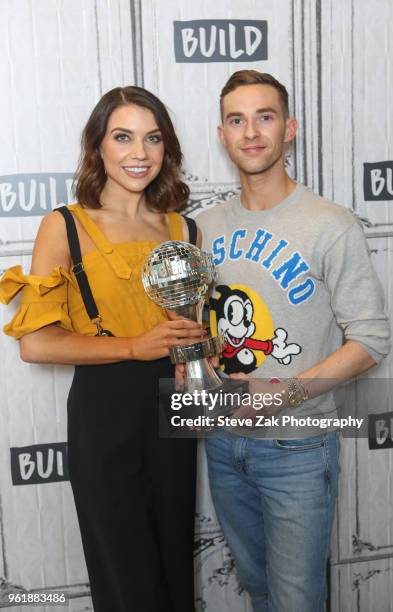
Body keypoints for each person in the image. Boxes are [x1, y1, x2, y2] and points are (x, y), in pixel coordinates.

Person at [0, 86, 203, 612]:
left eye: (152, 138)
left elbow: (187, 329)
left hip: (172, 407)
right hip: (105, 407)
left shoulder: (184, 227)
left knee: (175, 563)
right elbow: (36, 345)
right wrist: (136, 347)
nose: (140, 153)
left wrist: (193, 354)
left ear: (167, 148)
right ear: (98, 148)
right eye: (123, 137)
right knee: (125, 573)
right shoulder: (64, 224)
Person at [196, 70, 390, 612]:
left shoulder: (330, 224)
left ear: (290, 129)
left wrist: (284, 393)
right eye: (237, 120)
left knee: (296, 601)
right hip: (224, 444)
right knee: (259, 593)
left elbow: (371, 340)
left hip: (298, 447)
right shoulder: (201, 229)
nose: (251, 131)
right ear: (223, 134)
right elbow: (203, 327)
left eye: (265, 116)